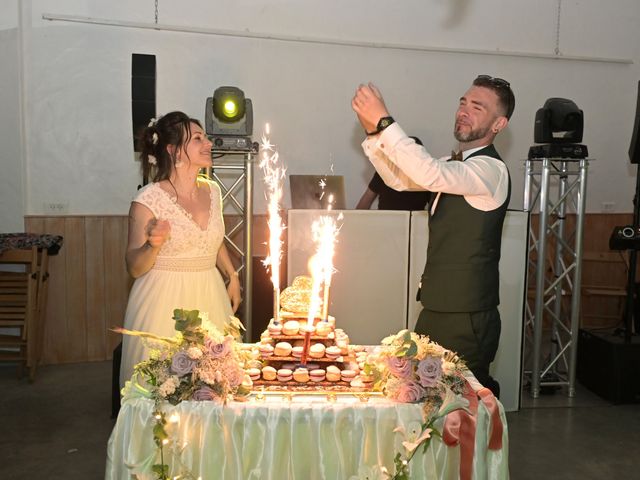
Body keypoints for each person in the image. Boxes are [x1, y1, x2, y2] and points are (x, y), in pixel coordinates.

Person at [351, 76, 515, 396]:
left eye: (477, 106)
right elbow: (401, 180)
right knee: (424, 406)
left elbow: (428, 172)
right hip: (435, 308)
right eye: (463, 102)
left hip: (466, 317)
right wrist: (374, 133)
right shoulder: (453, 165)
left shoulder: (491, 170)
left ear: (499, 123)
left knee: (459, 410)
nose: (464, 111)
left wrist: (385, 122)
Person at [119, 111, 242, 388]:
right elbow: (134, 266)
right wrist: (153, 244)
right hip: (164, 301)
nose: (208, 143)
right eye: (198, 138)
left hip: (210, 294)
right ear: (174, 151)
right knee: (166, 390)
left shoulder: (212, 191)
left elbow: (211, 238)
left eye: (206, 137)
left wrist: (232, 275)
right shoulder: (147, 200)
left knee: (215, 386)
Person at [355, 136, 431, 211]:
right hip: (385, 221)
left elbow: (436, 208)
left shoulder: (426, 177)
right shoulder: (385, 171)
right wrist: (355, 220)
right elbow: (367, 198)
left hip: (413, 222)